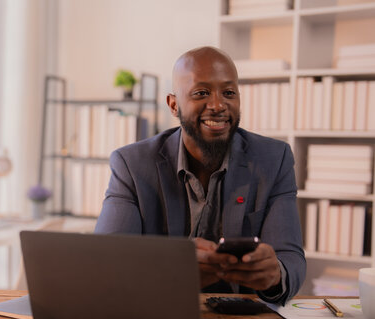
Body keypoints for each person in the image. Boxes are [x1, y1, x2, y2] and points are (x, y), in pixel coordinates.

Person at [95, 46, 305, 304]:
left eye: (229, 93)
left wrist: (274, 275)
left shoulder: (274, 159)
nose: (218, 105)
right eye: (201, 93)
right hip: (159, 312)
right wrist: (172, 271)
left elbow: (291, 260)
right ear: (174, 105)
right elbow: (107, 261)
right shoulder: (132, 164)